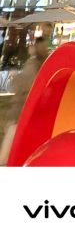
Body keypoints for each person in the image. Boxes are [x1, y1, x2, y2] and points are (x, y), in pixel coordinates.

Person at [0, 37, 49, 165]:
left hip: (21, 112)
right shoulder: (44, 64)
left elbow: (21, 85)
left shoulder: (32, 64)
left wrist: (14, 77)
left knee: (6, 154)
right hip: (32, 113)